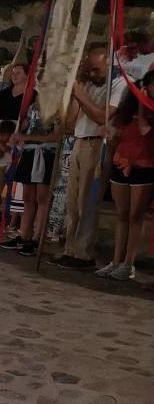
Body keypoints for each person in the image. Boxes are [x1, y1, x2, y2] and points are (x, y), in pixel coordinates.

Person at [54, 46, 120, 269]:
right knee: (72, 202)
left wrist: (80, 94)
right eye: (89, 70)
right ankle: (70, 248)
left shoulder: (120, 84)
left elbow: (102, 117)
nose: (92, 74)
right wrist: (74, 92)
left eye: (96, 69)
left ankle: (84, 254)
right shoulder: (89, 84)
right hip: (79, 141)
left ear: (108, 63)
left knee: (87, 202)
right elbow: (71, 120)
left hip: (98, 145)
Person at [98, 70, 154, 280]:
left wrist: (143, 103)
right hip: (121, 163)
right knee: (121, 215)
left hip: (144, 167)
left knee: (135, 216)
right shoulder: (127, 110)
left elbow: (145, 130)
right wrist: (110, 133)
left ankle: (128, 263)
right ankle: (115, 260)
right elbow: (119, 133)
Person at [0, 96, 60, 257]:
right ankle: (23, 234)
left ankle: (36, 238)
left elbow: (56, 135)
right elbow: (28, 127)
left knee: (42, 197)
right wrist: (21, 132)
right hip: (29, 152)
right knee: (28, 197)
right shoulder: (33, 107)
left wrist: (27, 137)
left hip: (46, 153)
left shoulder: (58, 105)